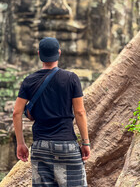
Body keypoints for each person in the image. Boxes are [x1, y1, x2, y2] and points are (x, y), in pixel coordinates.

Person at [13, 37, 90, 187]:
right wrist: (85, 142)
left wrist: (20, 143)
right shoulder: (71, 78)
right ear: (59, 53)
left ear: (39, 54)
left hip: (40, 146)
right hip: (67, 145)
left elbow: (17, 113)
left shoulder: (28, 81)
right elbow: (80, 112)